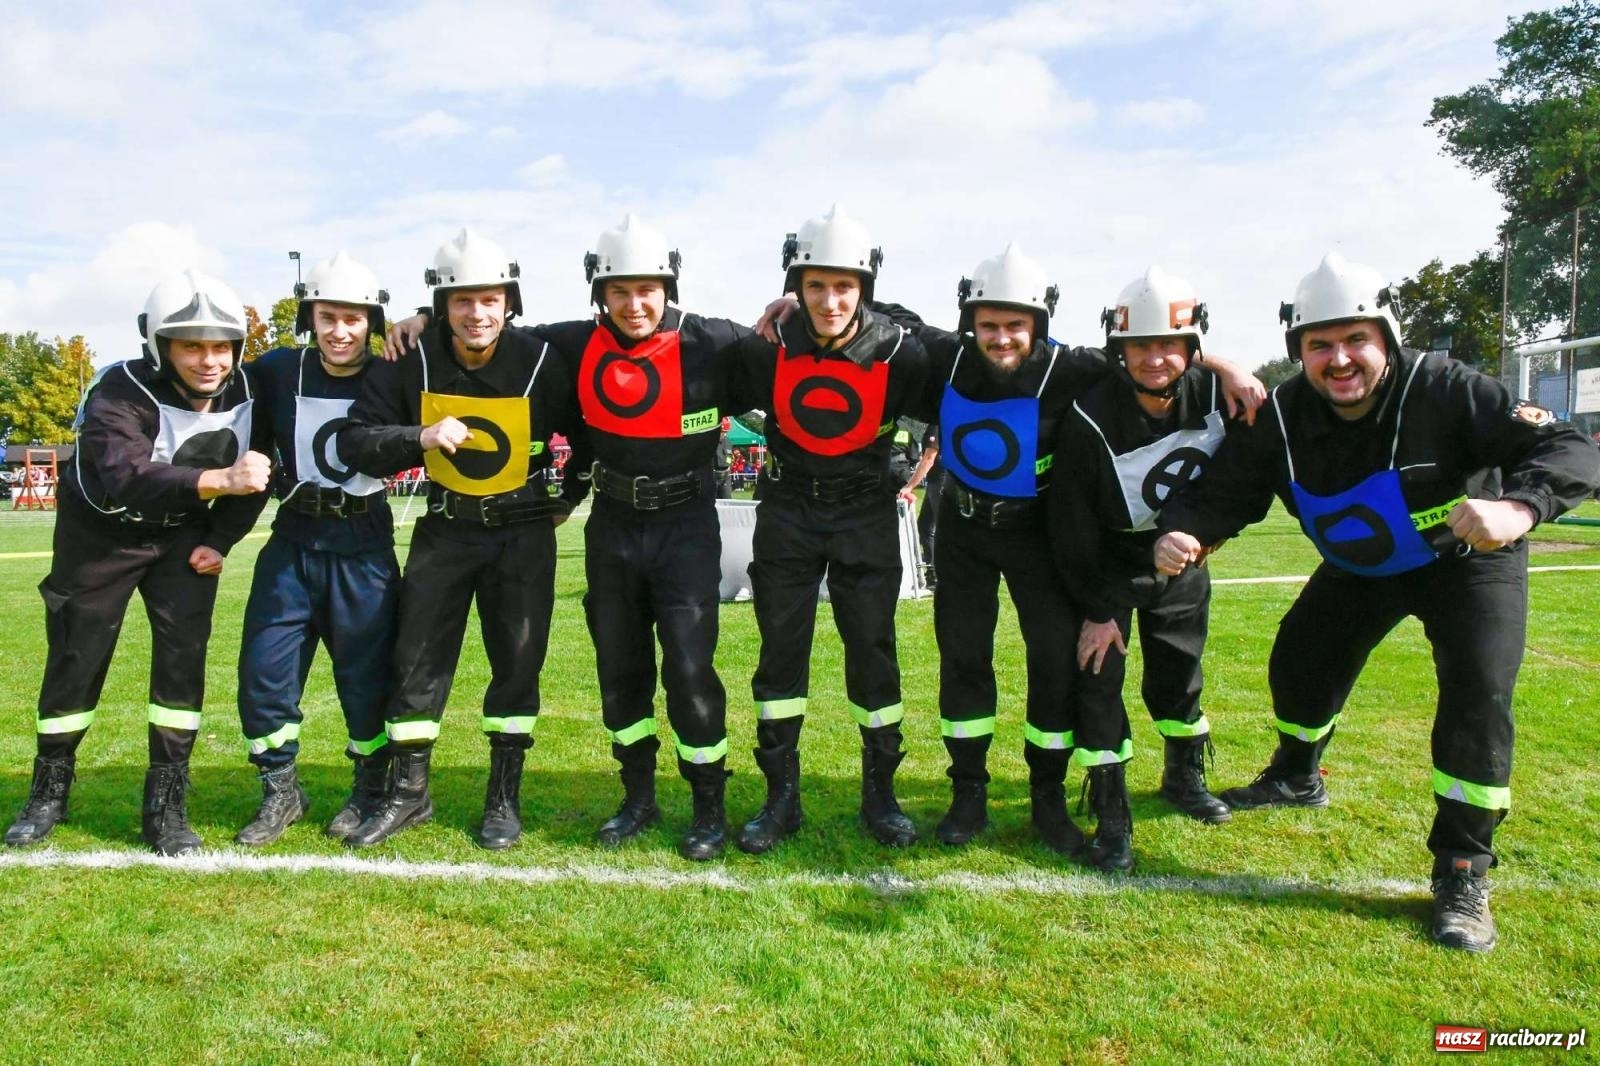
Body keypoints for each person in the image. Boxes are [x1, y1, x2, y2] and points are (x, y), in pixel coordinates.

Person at [1154, 252, 1600, 951]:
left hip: (1467, 564)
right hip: (1362, 569)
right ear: (1297, 351)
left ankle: (1462, 868)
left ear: (1386, 338)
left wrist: (1519, 505)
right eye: (1319, 345)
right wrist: (1186, 530)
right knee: (1299, 665)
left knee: (1477, 695)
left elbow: (1568, 446)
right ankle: (1297, 777)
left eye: (1355, 339)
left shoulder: (1447, 389)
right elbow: (1226, 492)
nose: (1339, 359)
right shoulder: (1284, 416)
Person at [868, 246, 1261, 860]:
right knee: (963, 658)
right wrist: (790, 303)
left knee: (1054, 663)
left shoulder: (1072, 368)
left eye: (1015, 326)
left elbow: (1152, 352)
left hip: (1037, 536)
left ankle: (1046, 798)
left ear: (1039, 324)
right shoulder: (945, 356)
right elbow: (880, 314)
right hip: (965, 534)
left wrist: (1225, 366)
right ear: (971, 322)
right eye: (989, 325)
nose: (1001, 339)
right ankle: (967, 791)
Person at [5, 271, 271, 855]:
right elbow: (123, 473)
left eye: (220, 345)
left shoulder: (251, 388)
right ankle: (49, 788)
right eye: (191, 345)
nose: (209, 360)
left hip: (184, 541)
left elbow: (261, 469)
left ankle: (167, 804)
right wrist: (218, 479)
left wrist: (222, 539)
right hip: (102, 540)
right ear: (159, 344)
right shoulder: (118, 390)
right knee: (77, 659)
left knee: (181, 665)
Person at [337, 229, 577, 850]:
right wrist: (416, 437)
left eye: (490, 299)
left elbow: (594, 424)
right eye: (461, 300)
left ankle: (504, 797)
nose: (477, 313)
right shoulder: (409, 359)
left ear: (509, 301)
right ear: (442, 305)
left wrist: (567, 497)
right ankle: (409, 794)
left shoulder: (544, 356)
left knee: (518, 663)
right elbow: (354, 440)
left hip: (522, 534)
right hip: (445, 529)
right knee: (415, 661)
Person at [728, 205, 930, 853]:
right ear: (796, 285)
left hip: (865, 513)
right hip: (787, 513)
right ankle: (780, 798)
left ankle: (881, 796)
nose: (830, 299)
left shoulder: (902, 351)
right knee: (780, 653)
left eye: (844, 286)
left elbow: (985, 356)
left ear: (864, 286)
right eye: (815, 285)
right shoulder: (770, 345)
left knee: (872, 652)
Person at [1049, 267, 1245, 870]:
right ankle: (1111, 808)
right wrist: (1099, 609)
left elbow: (1240, 482)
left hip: (1184, 557)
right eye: (1141, 345)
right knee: (1098, 677)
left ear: (1193, 347)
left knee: (1178, 673)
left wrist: (1193, 536)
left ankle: (1183, 775)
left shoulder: (1220, 397)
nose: (1155, 358)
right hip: (1105, 559)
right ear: (1120, 348)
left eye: (1170, 344)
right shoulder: (1089, 415)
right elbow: (1072, 523)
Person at [233, 252, 399, 846]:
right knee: (264, 673)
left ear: (372, 322)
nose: (340, 330)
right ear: (310, 316)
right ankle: (281, 791)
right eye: (328, 316)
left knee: (367, 678)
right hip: (294, 540)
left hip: (364, 544)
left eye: (354, 318)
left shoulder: (393, 374)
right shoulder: (277, 369)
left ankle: (370, 788)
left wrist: (422, 324)